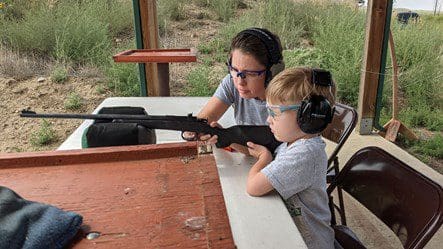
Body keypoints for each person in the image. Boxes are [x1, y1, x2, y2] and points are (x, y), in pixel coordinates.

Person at [246, 67, 336, 249]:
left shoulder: (304, 155)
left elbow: (253, 187)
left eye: (274, 113)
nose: (268, 120)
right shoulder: (293, 143)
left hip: (308, 243)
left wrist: (264, 158)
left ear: (308, 116)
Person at [184, 27, 285, 153]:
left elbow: (277, 154)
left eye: (250, 73)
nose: (240, 81)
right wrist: (213, 134)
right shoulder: (232, 83)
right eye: (234, 69)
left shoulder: (289, 99)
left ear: (273, 73)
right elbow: (203, 122)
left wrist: (227, 138)